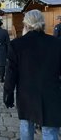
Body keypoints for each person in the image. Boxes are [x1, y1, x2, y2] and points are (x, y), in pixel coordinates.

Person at [4, 10, 61, 140]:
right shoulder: (56, 43)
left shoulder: (16, 45)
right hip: (51, 93)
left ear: (26, 25)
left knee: (26, 125)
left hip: (26, 93)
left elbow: (11, 74)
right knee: (50, 131)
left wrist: (8, 94)